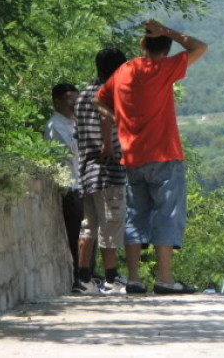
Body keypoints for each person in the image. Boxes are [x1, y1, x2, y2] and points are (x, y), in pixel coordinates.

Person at [95, 20, 208, 294]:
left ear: (142, 44)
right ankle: (165, 279)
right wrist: (167, 31)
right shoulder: (164, 68)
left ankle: (134, 279)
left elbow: (99, 101)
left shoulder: (124, 70)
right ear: (167, 49)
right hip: (164, 154)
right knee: (166, 214)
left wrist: (118, 119)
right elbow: (200, 47)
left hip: (132, 156)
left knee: (135, 216)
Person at [73, 48, 129, 295]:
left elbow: (79, 131)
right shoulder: (108, 92)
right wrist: (109, 145)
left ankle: (83, 278)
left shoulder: (84, 93)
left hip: (86, 168)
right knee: (112, 223)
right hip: (107, 169)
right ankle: (111, 278)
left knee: (89, 225)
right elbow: (106, 119)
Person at [43, 83, 82, 293]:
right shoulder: (54, 126)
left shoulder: (74, 123)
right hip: (69, 185)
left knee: (86, 233)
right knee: (75, 234)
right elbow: (71, 152)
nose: (74, 103)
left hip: (81, 184)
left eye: (77, 98)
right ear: (57, 101)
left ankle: (87, 274)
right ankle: (78, 277)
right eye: (70, 99)